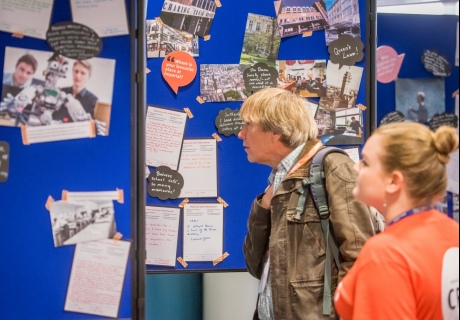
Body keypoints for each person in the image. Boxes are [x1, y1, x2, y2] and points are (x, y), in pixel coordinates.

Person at [238, 88, 375, 320]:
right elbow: (255, 264)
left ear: (276, 131)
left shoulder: (333, 167)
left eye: (248, 125)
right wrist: (264, 205)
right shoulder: (276, 179)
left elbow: (360, 258)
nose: (241, 134)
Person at [334, 122, 459, 320]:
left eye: (365, 162)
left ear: (393, 181)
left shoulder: (386, 253)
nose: (356, 168)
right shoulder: (453, 232)